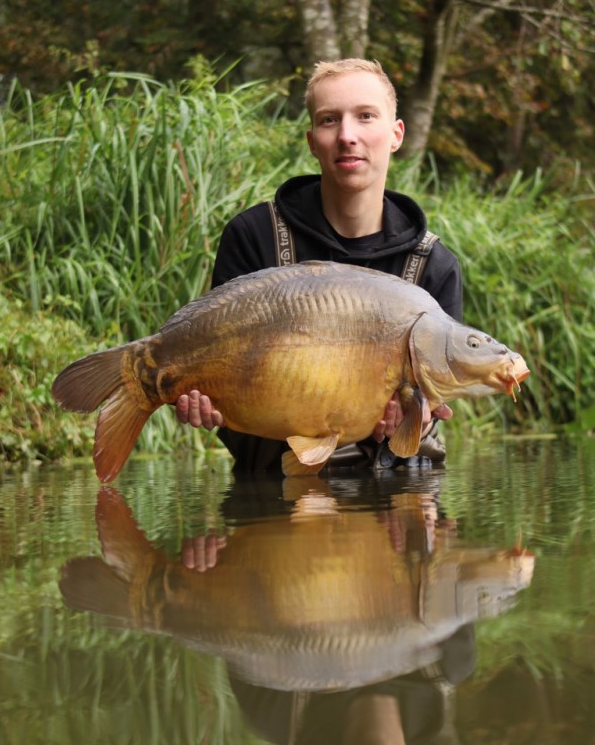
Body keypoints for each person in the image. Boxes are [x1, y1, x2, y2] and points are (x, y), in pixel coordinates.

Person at [176, 58, 463, 474]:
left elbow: (435, 399)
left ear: (396, 134)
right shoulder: (254, 235)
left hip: (396, 494)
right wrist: (205, 401)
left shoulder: (434, 264)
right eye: (330, 120)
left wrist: (410, 424)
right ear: (312, 141)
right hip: (270, 485)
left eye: (365, 116)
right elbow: (215, 366)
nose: (348, 136)